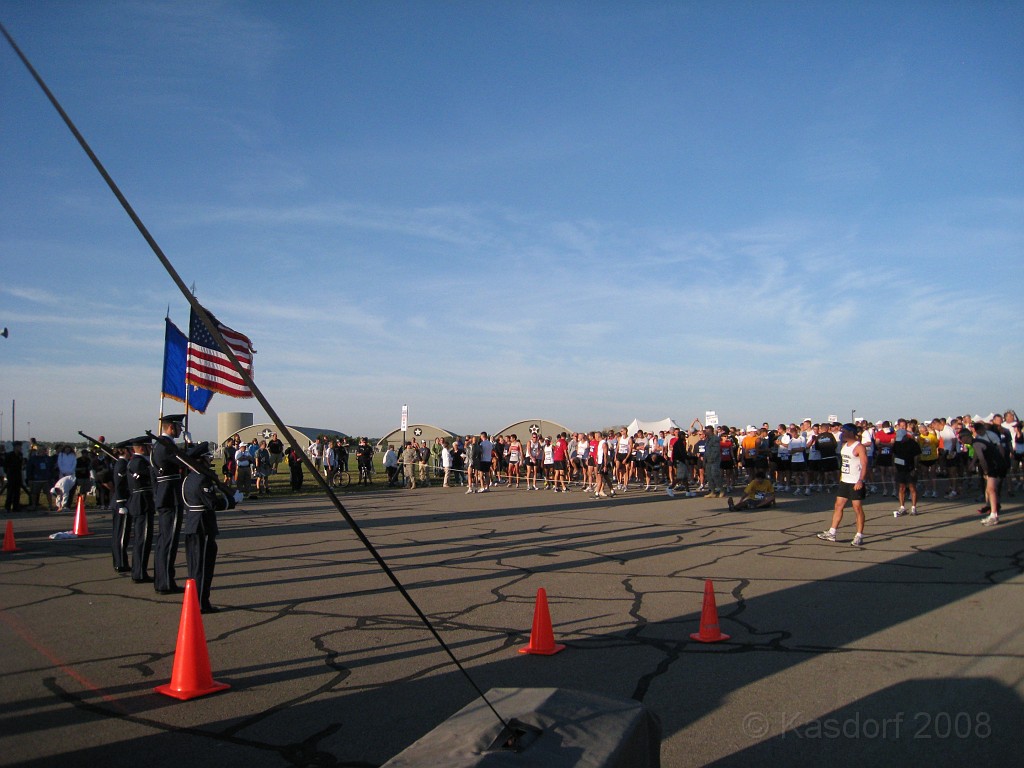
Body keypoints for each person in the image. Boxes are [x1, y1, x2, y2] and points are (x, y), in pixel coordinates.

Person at [182, 442, 241, 614]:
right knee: (203, 567)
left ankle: (194, 600)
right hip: (203, 525)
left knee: (194, 566)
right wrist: (233, 501)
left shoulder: (188, 478)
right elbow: (213, 503)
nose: (210, 460)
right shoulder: (202, 479)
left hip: (192, 524)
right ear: (201, 460)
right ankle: (201, 602)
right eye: (207, 458)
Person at [818, 424, 869, 546]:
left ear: (851, 433)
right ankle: (832, 532)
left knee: (857, 508)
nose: (842, 434)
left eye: (844, 431)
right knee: (838, 505)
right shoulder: (845, 445)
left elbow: (865, 464)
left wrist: (860, 480)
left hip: (855, 482)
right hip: (845, 481)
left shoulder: (859, 447)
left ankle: (859, 535)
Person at [152, 414, 186, 595]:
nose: (181, 430)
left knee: (165, 540)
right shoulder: (166, 445)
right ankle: (165, 582)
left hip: (165, 495)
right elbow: (185, 460)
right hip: (170, 497)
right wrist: (191, 444)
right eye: (179, 427)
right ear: (171, 427)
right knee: (169, 541)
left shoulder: (159, 444)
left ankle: (162, 579)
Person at [125, 435, 155, 583]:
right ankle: (139, 572)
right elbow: (152, 476)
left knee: (143, 538)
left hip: (141, 500)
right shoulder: (138, 463)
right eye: (150, 446)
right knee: (142, 539)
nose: (151, 449)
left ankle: (139, 571)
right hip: (142, 501)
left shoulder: (138, 462)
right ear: (143, 448)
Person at [972, 421, 1009, 526]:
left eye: (981, 430)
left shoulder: (991, 435)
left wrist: (1001, 459)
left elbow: (1000, 447)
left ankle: (995, 510)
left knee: (993, 488)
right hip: (989, 463)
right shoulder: (978, 439)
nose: (980, 432)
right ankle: (990, 507)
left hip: (995, 463)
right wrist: (973, 463)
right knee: (988, 488)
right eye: (978, 431)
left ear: (984, 429)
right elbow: (977, 453)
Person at [891, 425, 922, 517]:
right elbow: (894, 455)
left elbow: (917, 456)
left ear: (905, 436)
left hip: (910, 468)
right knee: (901, 488)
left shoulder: (913, 444)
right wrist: (894, 467)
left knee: (912, 487)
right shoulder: (896, 444)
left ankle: (913, 507)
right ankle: (902, 507)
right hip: (900, 468)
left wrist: (915, 468)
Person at [110, 444, 131, 573]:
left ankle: (119, 561)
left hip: (121, 502)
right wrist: (122, 503)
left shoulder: (123, 463)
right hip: (121, 503)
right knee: (121, 535)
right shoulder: (122, 464)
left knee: (120, 534)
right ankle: (120, 563)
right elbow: (119, 485)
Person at [25, 444, 55, 512]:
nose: (42, 451)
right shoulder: (33, 459)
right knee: (34, 493)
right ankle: (33, 505)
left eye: (43, 450)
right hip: (36, 480)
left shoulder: (48, 458)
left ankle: (50, 505)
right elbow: (29, 469)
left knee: (48, 493)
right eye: (40, 450)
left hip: (46, 479)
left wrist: (52, 477)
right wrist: (29, 479)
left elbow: (51, 469)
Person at [4, 442, 25, 512]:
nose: (20, 448)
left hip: (18, 474)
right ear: (15, 447)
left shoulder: (20, 455)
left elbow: (21, 464)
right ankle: (7, 507)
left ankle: (16, 507)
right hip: (11, 475)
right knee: (10, 492)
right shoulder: (9, 455)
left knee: (17, 492)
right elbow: (5, 465)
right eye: (19, 446)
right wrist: (7, 473)